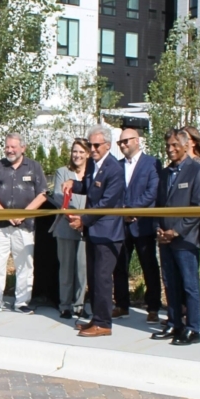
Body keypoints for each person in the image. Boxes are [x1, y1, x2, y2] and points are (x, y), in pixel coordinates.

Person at [63, 124, 125, 337]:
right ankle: (97, 317)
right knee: (94, 277)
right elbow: (90, 188)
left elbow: (107, 202)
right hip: (93, 231)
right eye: (90, 145)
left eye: (97, 145)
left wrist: (83, 220)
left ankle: (104, 323)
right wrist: (73, 184)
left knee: (102, 278)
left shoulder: (115, 169)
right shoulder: (92, 165)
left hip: (108, 233)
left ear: (107, 145)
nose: (93, 149)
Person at [153, 129, 200, 345]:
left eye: (175, 145)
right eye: (168, 145)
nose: (170, 149)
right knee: (170, 283)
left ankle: (193, 328)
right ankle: (174, 323)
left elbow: (197, 207)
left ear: (186, 145)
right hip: (165, 238)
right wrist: (159, 229)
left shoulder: (198, 171)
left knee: (189, 285)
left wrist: (176, 231)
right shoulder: (165, 173)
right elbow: (158, 205)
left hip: (186, 239)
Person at [0, 133, 48, 316]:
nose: (9, 150)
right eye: (7, 147)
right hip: (0, 225)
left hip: (25, 225)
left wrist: (24, 214)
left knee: (25, 265)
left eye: (13, 147)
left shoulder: (34, 167)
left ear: (23, 148)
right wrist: (5, 214)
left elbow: (43, 194)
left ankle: (21, 302)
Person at [112, 128, 163, 323]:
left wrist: (132, 210)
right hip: (122, 224)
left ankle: (153, 308)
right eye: (120, 142)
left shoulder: (152, 163)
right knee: (120, 267)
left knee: (149, 267)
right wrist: (122, 212)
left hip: (143, 224)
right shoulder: (117, 166)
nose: (123, 145)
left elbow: (153, 191)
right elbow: (114, 192)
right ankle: (121, 305)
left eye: (126, 141)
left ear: (137, 140)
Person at [48, 138, 89, 320]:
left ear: (87, 154)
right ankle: (65, 305)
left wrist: (83, 220)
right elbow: (59, 198)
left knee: (82, 269)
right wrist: (72, 217)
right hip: (65, 226)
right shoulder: (62, 172)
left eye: (81, 152)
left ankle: (79, 305)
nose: (77, 155)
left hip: (85, 227)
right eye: (74, 151)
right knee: (65, 268)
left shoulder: (92, 174)